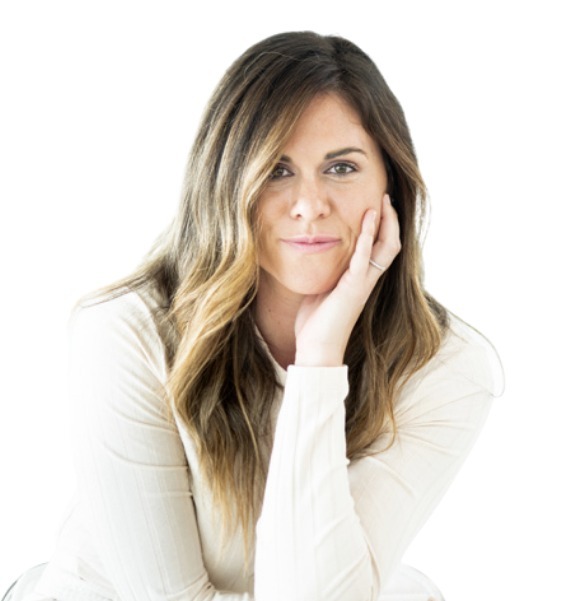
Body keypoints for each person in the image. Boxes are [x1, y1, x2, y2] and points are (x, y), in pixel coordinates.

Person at [7, 31, 503, 601]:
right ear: (225, 184)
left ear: (391, 185)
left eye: (342, 168)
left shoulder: (444, 366)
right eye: (276, 170)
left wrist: (319, 360)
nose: (310, 205)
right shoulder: (125, 334)